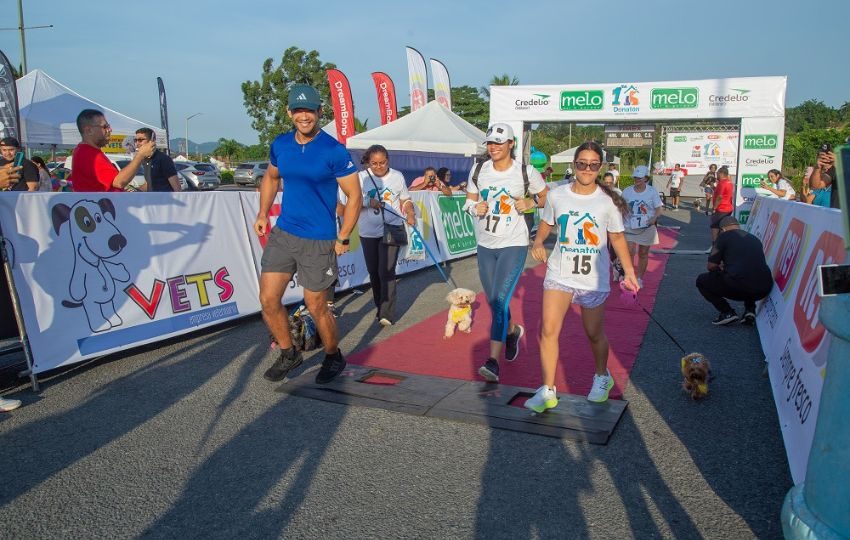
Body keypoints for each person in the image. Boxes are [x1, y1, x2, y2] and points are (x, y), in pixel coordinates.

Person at [254, 84, 361, 385]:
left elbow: (354, 196)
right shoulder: (281, 145)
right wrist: (263, 212)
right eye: (298, 110)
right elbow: (271, 177)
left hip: (319, 239)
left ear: (319, 112)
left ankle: (332, 355)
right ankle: (290, 353)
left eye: (309, 110)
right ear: (289, 113)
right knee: (268, 299)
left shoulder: (333, 150)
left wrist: (343, 236)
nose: (304, 116)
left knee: (316, 306)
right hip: (285, 233)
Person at [526, 141, 639, 410]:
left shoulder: (607, 201)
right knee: (548, 331)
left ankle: (602, 376)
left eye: (593, 165)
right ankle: (547, 390)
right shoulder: (557, 195)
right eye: (581, 164)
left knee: (593, 333)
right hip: (560, 272)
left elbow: (618, 237)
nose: (587, 169)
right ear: (573, 165)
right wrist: (539, 242)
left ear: (599, 167)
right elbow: (547, 222)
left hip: (593, 277)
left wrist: (630, 272)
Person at [464, 123, 548, 382]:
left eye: (499, 143)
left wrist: (531, 202)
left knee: (500, 300)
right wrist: (472, 208)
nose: (494, 147)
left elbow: (545, 197)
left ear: (511, 144)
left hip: (514, 243)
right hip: (486, 244)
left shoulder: (526, 171)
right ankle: (512, 331)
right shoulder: (479, 169)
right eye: (490, 143)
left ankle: (492, 362)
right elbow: (469, 200)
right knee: (492, 301)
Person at [346, 144, 415, 326]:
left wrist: (410, 212)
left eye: (382, 163)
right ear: (368, 162)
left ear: (388, 160)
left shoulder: (397, 176)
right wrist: (369, 202)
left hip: (391, 228)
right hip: (367, 231)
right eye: (374, 163)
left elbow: (405, 199)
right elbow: (350, 203)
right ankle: (380, 305)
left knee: (386, 271)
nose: (378, 167)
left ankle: (387, 313)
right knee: (374, 272)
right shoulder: (360, 178)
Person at [696, 215, 772, 325]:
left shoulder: (723, 237)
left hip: (738, 286)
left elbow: (711, 266)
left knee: (701, 280)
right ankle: (750, 310)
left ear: (722, 230)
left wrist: (721, 268)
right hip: (764, 288)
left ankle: (727, 312)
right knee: (747, 272)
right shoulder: (754, 238)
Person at [68, 109, 155, 192]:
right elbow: (119, 182)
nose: (110, 130)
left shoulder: (84, 151)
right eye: (105, 127)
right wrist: (140, 156)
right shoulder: (89, 154)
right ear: (89, 130)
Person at [621, 165, 663, 288]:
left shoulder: (652, 191)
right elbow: (621, 206)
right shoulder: (627, 191)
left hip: (646, 227)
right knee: (629, 252)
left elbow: (659, 209)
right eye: (635, 177)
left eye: (640, 178)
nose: (637, 180)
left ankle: (639, 278)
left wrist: (654, 219)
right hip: (629, 225)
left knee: (643, 253)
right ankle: (629, 276)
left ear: (646, 178)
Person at [134, 128, 181, 192]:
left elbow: (177, 188)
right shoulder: (144, 159)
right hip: (152, 200)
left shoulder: (164, 159)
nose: (137, 143)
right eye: (135, 140)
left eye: (140, 140)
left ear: (152, 141)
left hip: (166, 200)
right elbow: (150, 183)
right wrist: (136, 190)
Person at [711, 166, 734, 243]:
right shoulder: (729, 182)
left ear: (721, 174)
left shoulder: (722, 183)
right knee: (723, 226)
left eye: (717, 173)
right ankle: (723, 243)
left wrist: (714, 207)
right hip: (728, 208)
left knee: (715, 226)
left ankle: (715, 244)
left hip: (721, 208)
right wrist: (714, 189)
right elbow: (724, 194)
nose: (716, 175)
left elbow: (720, 197)